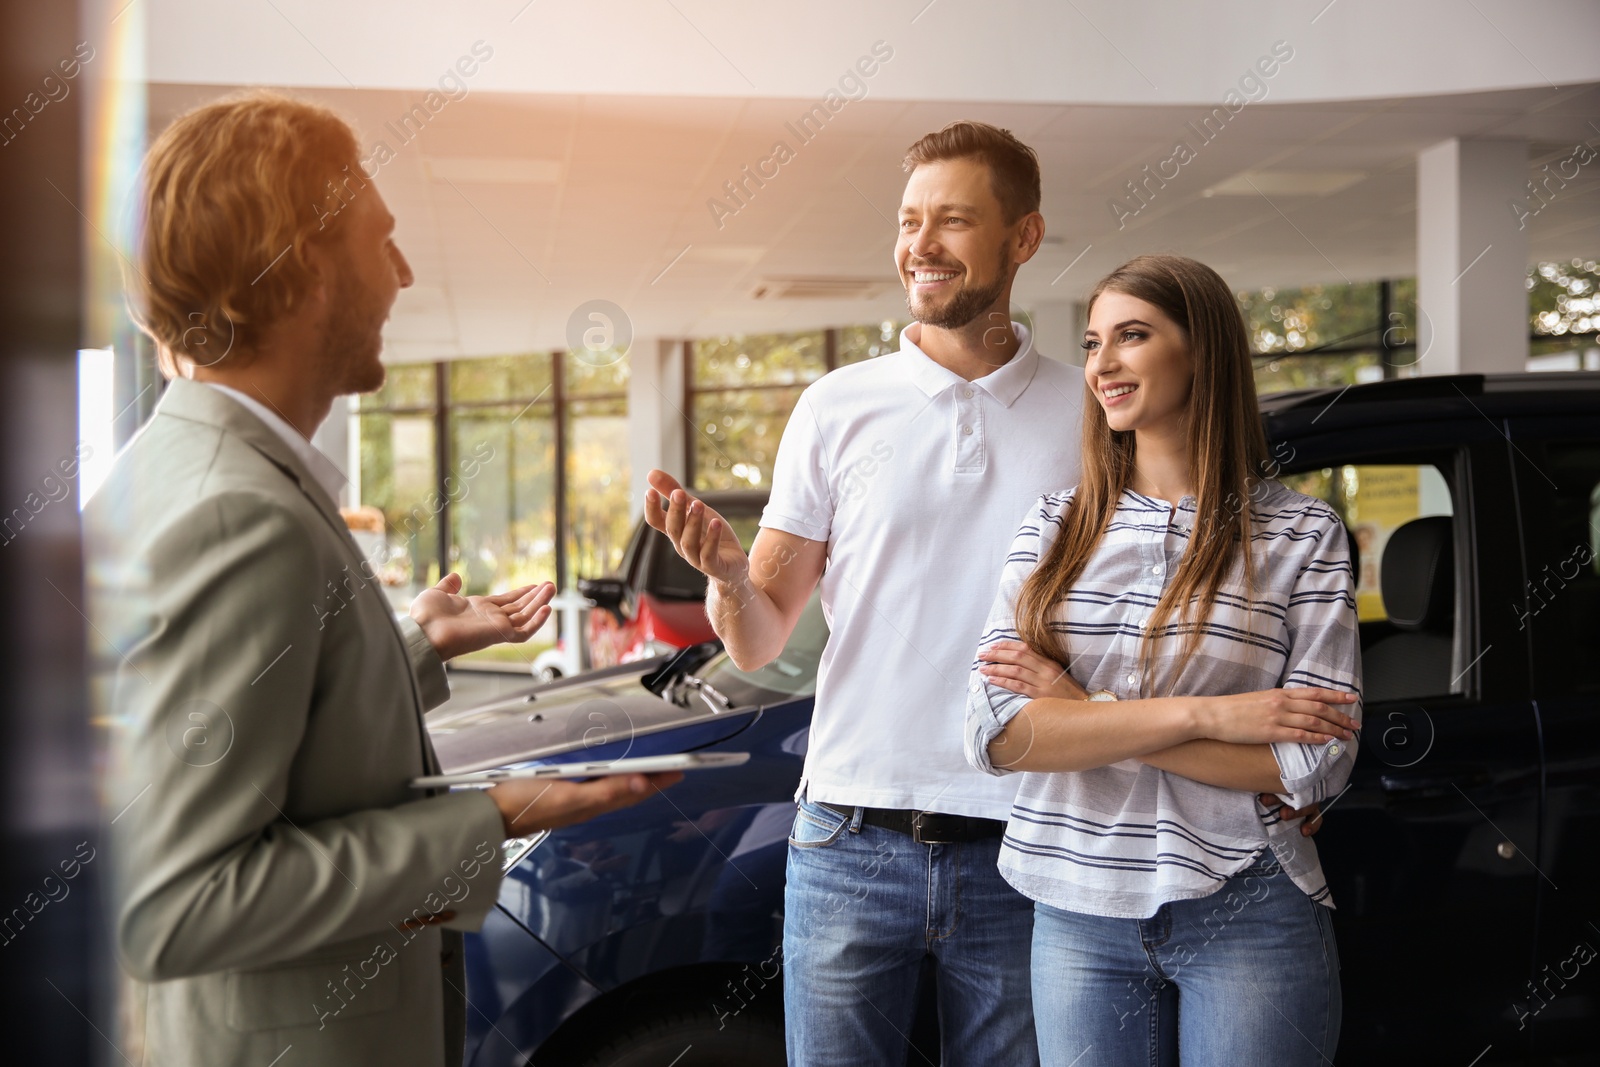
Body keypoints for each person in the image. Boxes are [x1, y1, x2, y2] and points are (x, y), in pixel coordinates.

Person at [87, 91, 679, 1067]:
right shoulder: (236, 513)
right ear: (305, 263)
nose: (402, 274)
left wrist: (419, 644)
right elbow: (177, 903)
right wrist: (491, 816)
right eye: (383, 240)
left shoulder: (195, 469)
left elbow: (249, 730)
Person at [652, 120, 1077, 1066]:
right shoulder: (836, 407)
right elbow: (759, 640)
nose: (920, 244)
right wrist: (727, 578)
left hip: (1029, 840)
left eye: (954, 220)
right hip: (848, 839)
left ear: (1024, 238)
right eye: (909, 219)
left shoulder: (1089, 415)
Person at [965, 253, 1361, 1066]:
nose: (1102, 363)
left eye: (1133, 336)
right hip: (1076, 913)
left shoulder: (1301, 535)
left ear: (1202, 351)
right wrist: (1211, 717)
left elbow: (1314, 761)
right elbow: (998, 736)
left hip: (1249, 904)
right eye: (1092, 341)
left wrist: (1079, 706)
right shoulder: (1053, 527)